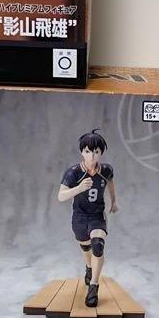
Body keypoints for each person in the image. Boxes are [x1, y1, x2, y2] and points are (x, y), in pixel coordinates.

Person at [58, 130, 119, 308]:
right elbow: (60, 196)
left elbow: (110, 183)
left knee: (97, 246)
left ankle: (93, 286)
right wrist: (78, 188)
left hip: (97, 215)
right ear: (81, 152)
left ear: (101, 153)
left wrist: (114, 201)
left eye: (96, 152)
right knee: (85, 246)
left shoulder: (106, 170)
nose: (91, 156)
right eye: (87, 151)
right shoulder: (74, 173)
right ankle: (89, 267)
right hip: (79, 216)